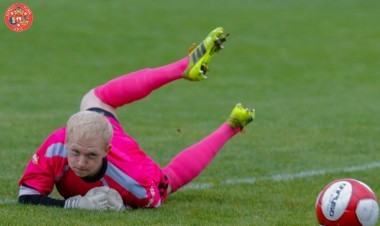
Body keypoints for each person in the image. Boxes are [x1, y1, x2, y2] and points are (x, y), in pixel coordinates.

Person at [17, 27, 255, 211]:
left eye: (91, 156)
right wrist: (73, 205)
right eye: (76, 152)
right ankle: (183, 66)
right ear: (67, 142)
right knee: (95, 98)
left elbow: (153, 200)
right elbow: (27, 197)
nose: (80, 163)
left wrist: (124, 206)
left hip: (131, 162)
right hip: (96, 129)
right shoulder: (56, 145)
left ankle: (231, 126)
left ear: (106, 151)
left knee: (168, 181)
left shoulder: (135, 182)